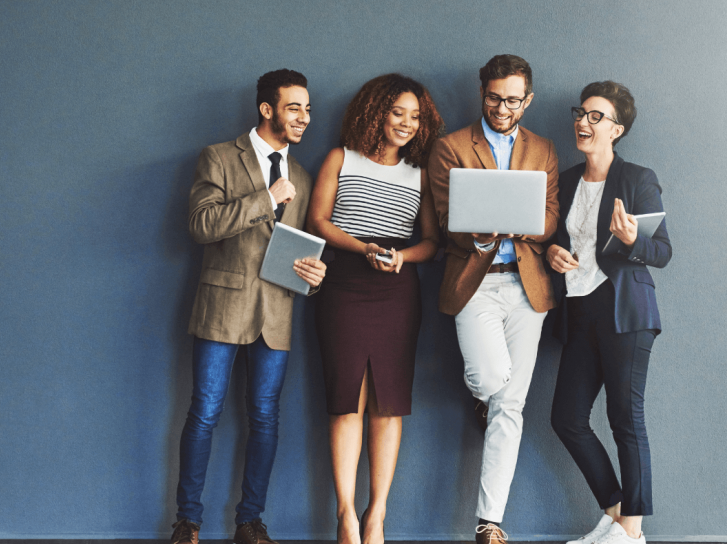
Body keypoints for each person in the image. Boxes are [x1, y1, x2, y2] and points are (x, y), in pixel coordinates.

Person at [170, 69, 327, 544]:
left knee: (265, 418)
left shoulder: (302, 174)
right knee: (205, 413)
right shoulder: (218, 157)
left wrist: (314, 279)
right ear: (267, 109)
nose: (304, 117)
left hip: (276, 315)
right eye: (294, 107)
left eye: (307, 108)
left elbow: (297, 249)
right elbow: (200, 225)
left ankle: (250, 521)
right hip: (221, 309)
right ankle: (187, 521)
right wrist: (266, 198)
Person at [427, 55, 559, 544]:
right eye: (493, 97)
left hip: (527, 286)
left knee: (512, 407)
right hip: (474, 280)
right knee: (490, 381)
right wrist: (487, 231)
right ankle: (483, 396)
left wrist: (515, 222)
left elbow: (548, 220)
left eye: (512, 99)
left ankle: (490, 523)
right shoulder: (451, 147)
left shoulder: (543, 149)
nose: (502, 108)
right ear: (481, 93)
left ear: (528, 99)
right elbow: (445, 220)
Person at [307, 74, 443, 544]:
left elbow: (431, 242)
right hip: (342, 283)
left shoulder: (419, 173)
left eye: (415, 116)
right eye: (397, 112)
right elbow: (318, 220)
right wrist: (363, 247)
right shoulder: (340, 158)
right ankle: (344, 516)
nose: (407, 123)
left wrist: (402, 256)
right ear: (375, 112)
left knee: (389, 405)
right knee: (347, 402)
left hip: (397, 290)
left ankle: (376, 516)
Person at [547, 81, 671, 544]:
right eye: (582, 113)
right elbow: (559, 239)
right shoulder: (565, 179)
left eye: (596, 116)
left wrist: (630, 239)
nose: (583, 121)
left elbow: (662, 250)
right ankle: (617, 514)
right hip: (579, 310)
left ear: (616, 129)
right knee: (567, 418)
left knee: (625, 417)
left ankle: (633, 533)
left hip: (626, 310)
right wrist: (552, 255)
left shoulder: (637, 178)